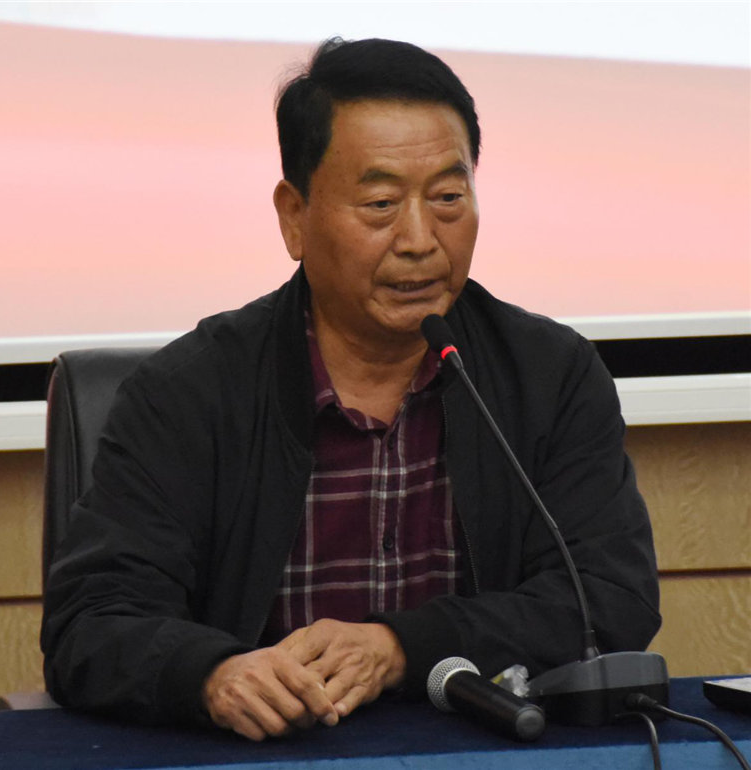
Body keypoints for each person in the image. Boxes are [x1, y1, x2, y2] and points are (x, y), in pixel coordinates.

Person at [41, 37, 661, 741]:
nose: (420, 239)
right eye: (380, 203)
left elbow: (610, 598)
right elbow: (91, 623)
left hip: (481, 750)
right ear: (294, 216)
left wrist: (400, 648)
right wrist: (211, 675)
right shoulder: (188, 394)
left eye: (448, 197)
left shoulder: (548, 376)